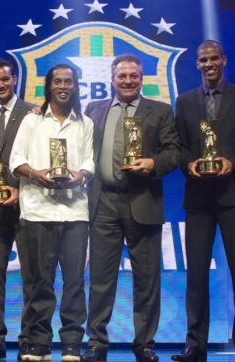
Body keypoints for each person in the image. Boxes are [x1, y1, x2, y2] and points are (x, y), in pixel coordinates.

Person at [82, 54, 180, 362]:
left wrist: (153, 163)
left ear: (142, 79)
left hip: (143, 199)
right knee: (100, 277)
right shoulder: (94, 110)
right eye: (122, 76)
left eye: (133, 76)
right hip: (104, 202)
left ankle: (145, 344)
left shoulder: (161, 111)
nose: (127, 81)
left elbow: (174, 152)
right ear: (111, 79)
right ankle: (96, 343)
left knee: (147, 279)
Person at [172, 41, 235, 362]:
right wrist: (189, 164)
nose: (209, 64)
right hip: (198, 198)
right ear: (197, 64)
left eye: (214, 59)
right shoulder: (185, 101)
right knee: (196, 274)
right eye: (203, 60)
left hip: (234, 194)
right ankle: (195, 345)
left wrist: (232, 163)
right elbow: (178, 146)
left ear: (224, 60)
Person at [10, 64, 94, 362]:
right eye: (57, 81)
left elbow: (90, 163)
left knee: (74, 282)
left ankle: (72, 343)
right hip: (37, 211)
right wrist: (35, 174)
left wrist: (78, 175)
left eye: (68, 81)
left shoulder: (85, 123)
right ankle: (39, 343)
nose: (62, 86)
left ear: (75, 86)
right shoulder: (32, 122)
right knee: (39, 282)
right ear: (48, 86)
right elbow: (15, 160)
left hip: (74, 213)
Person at [0, 58, 37, 360]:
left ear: (14, 79)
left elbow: (38, 160)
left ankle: (27, 338)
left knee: (30, 276)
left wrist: (21, 189)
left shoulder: (32, 112)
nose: (0, 84)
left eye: (5, 79)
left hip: (26, 207)